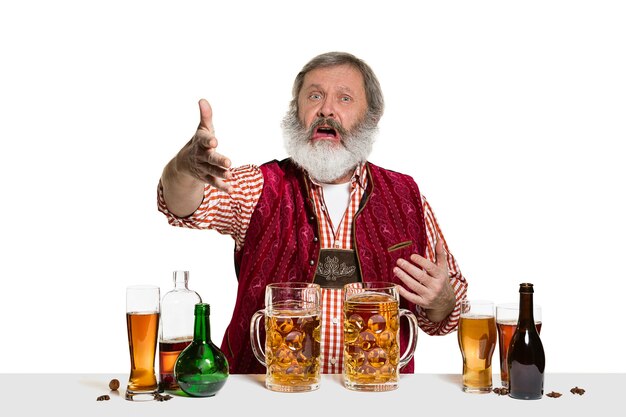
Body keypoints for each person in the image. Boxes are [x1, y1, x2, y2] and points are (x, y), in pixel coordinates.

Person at [158, 51, 468, 374]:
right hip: (263, 398)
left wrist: (442, 300)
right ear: (297, 112)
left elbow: (450, 306)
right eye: (315, 96)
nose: (326, 110)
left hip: (375, 399)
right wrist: (184, 168)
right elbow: (184, 205)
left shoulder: (405, 195)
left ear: (371, 119)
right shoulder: (262, 187)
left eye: (344, 98)